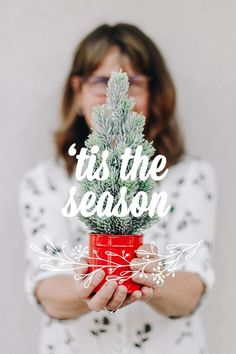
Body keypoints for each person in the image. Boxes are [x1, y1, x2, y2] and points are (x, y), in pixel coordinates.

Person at [18, 23, 217, 354]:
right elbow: (45, 286)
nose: (117, 97)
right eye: (101, 82)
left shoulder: (190, 176)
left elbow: (194, 285)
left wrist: (153, 282)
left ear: (155, 95)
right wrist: (90, 286)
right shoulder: (44, 182)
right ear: (77, 90)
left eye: (133, 83)